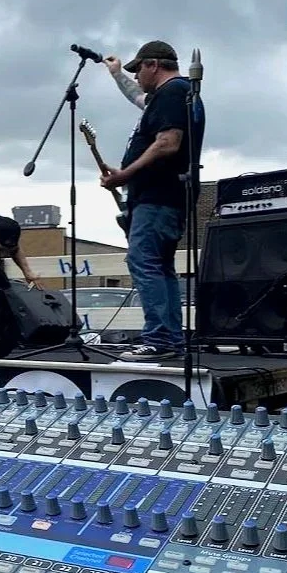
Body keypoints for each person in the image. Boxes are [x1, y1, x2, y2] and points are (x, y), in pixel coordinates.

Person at [99, 41, 205, 361]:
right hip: (166, 197)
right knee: (160, 266)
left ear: (153, 65)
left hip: (158, 196)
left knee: (143, 261)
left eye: (138, 70)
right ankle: (170, 337)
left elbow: (167, 143)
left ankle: (159, 337)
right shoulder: (172, 96)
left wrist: (125, 175)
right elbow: (138, 97)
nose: (138, 76)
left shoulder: (173, 92)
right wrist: (118, 75)